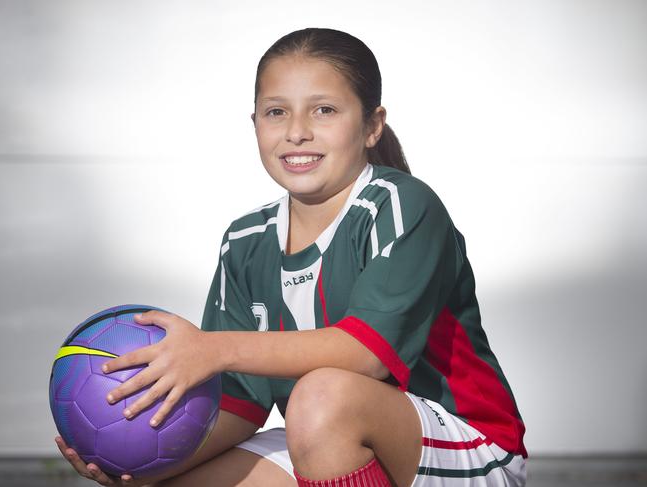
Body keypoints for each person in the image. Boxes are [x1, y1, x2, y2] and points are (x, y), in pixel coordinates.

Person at [55, 27, 527, 486]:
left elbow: (365, 355)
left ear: (371, 126)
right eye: (276, 112)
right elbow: (240, 404)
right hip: (327, 436)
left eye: (324, 110)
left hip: (469, 447)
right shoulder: (245, 240)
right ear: (255, 123)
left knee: (321, 394)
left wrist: (212, 350)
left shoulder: (400, 205)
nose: (297, 132)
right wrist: (144, 466)